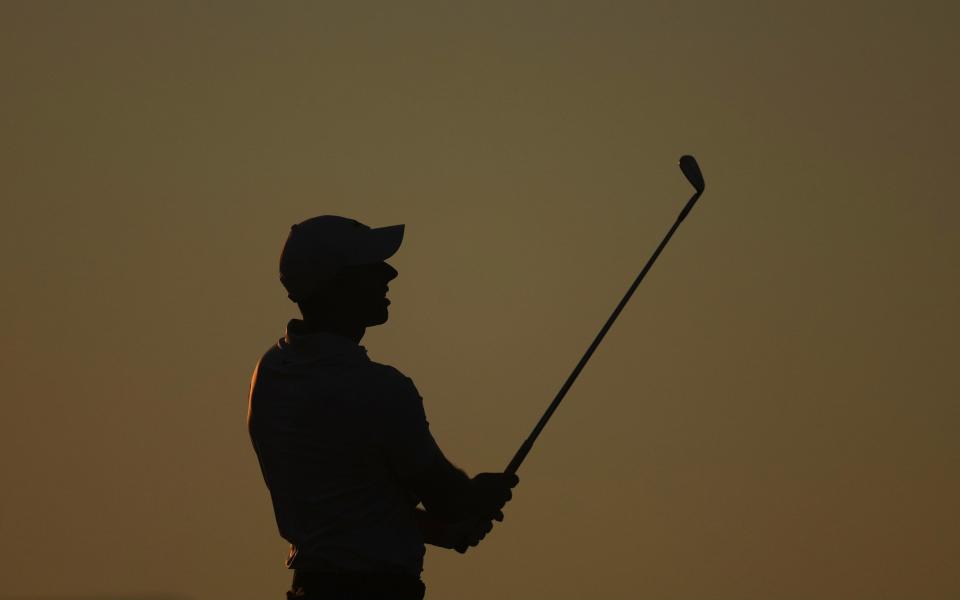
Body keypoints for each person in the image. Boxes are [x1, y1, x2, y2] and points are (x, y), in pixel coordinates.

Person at [247, 215, 519, 600]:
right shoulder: (380, 388)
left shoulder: (269, 376)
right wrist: (478, 495)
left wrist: (443, 530)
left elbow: (348, 504)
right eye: (371, 267)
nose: (389, 273)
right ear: (338, 284)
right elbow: (446, 498)